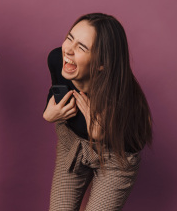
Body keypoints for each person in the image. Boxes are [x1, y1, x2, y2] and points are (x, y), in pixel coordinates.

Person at [43, 13, 153, 210]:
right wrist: (48, 114)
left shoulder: (121, 97)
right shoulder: (57, 59)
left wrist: (103, 133)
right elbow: (56, 91)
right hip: (72, 144)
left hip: (116, 157)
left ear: (102, 62)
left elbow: (135, 142)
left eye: (81, 47)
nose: (68, 50)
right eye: (70, 38)